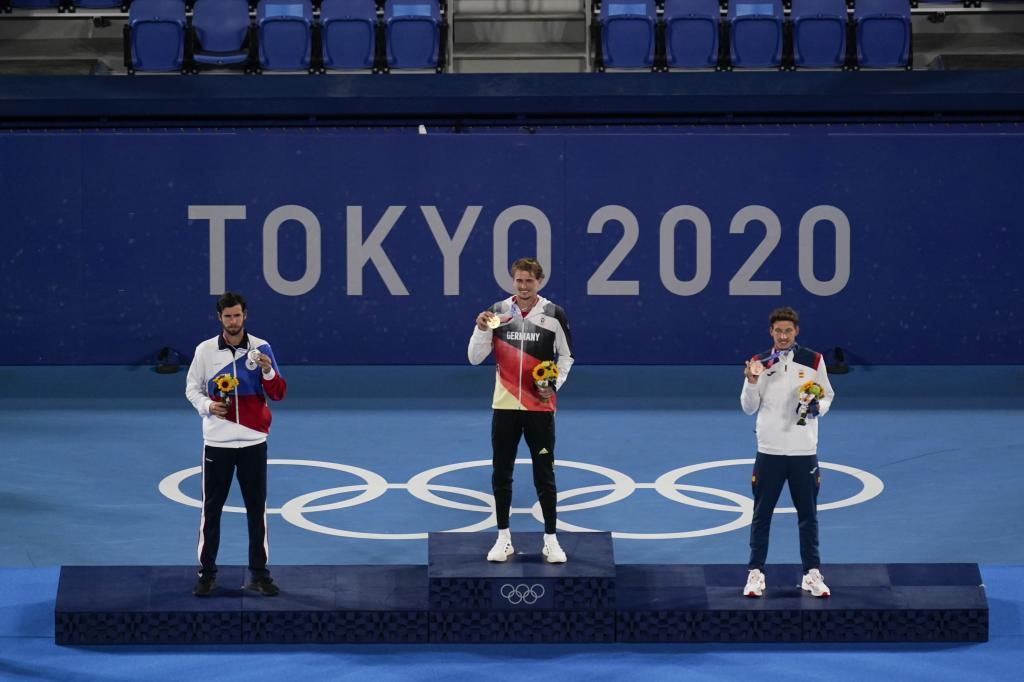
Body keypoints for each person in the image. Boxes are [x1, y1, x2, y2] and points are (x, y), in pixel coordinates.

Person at [468, 258, 574, 564]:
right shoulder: (498, 313)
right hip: (504, 406)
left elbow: (567, 356)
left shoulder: (554, 315)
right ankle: (503, 538)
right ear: (512, 281)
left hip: (540, 407)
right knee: (502, 472)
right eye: (518, 281)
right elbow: (475, 358)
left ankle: (551, 541)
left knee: (545, 474)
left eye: (529, 281)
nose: (523, 286)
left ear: (539, 282)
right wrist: (479, 330)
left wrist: (553, 385)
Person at [185, 292, 287, 597]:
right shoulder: (204, 351)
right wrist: (206, 406)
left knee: (257, 510)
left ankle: (259, 573)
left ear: (245, 316)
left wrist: (267, 370)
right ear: (220, 318)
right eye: (227, 316)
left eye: (237, 315)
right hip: (217, 443)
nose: (233, 321)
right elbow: (192, 388)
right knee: (212, 510)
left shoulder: (261, 349)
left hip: (254, 442)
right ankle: (207, 574)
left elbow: (279, 393)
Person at [740, 306, 834, 599]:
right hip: (769, 450)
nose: (783, 336)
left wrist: (819, 407)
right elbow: (748, 406)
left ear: (796, 332)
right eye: (778, 331)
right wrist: (752, 381)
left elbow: (828, 394)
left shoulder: (814, 360)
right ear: (771, 332)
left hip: (803, 450)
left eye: (788, 331)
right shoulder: (759, 363)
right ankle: (755, 574)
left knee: (808, 515)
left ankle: (811, 573)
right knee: (761, 515)